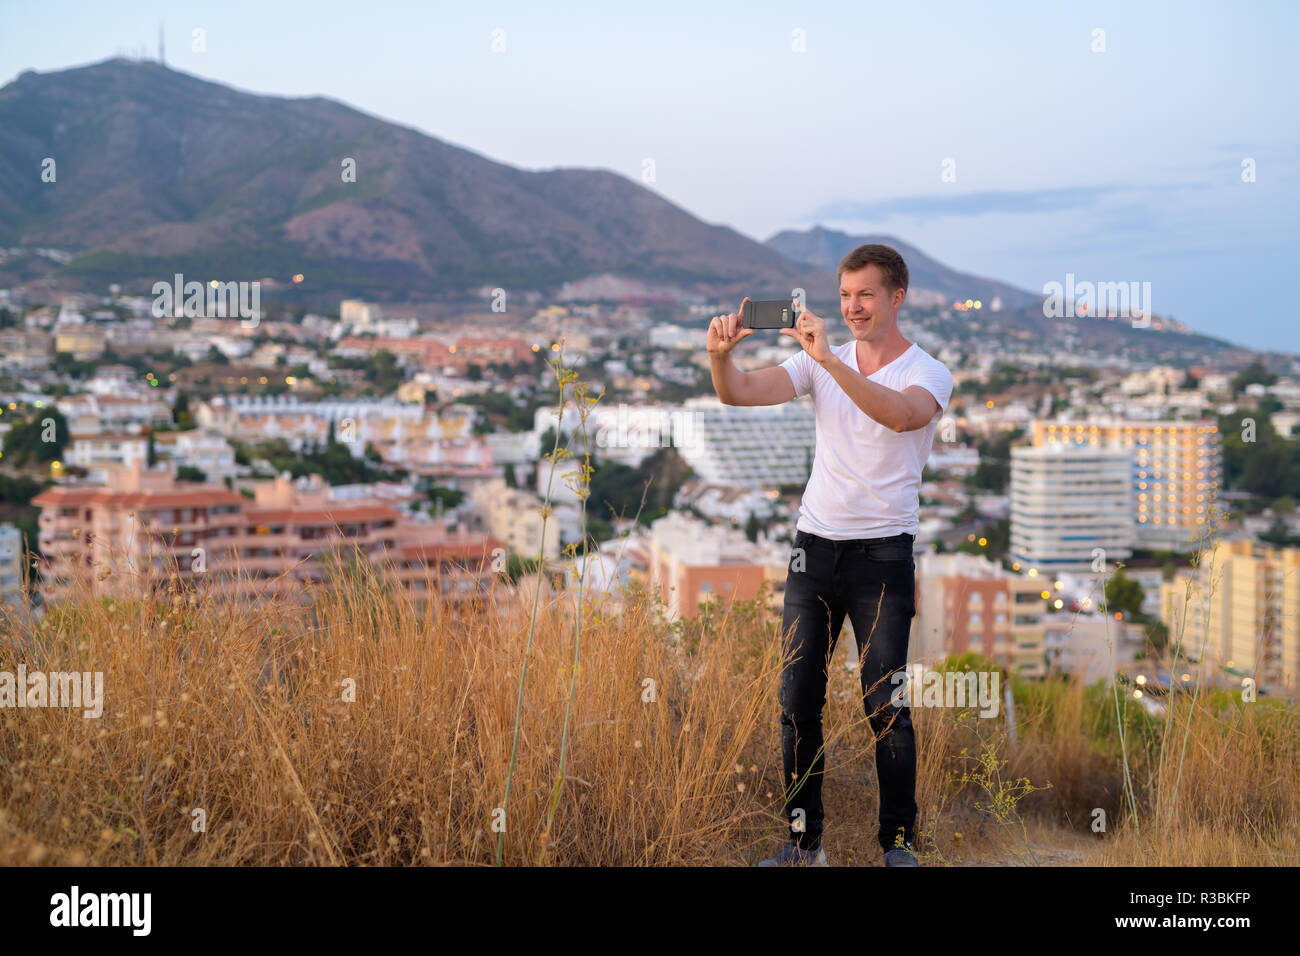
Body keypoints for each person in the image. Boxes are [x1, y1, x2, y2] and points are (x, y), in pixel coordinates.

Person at [706, 243, 954, 867]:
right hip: (812, 551)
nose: (853, 308)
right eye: (845, 296)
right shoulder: (820, 360)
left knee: (886, 706)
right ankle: (803, 844)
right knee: (796, 703)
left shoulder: (927, 371)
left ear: (897, 296)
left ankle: (897, 844)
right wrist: (718, 357)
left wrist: (830, 364)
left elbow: (899, 416)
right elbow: (737, 394)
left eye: (866, 295)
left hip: (882, 556)